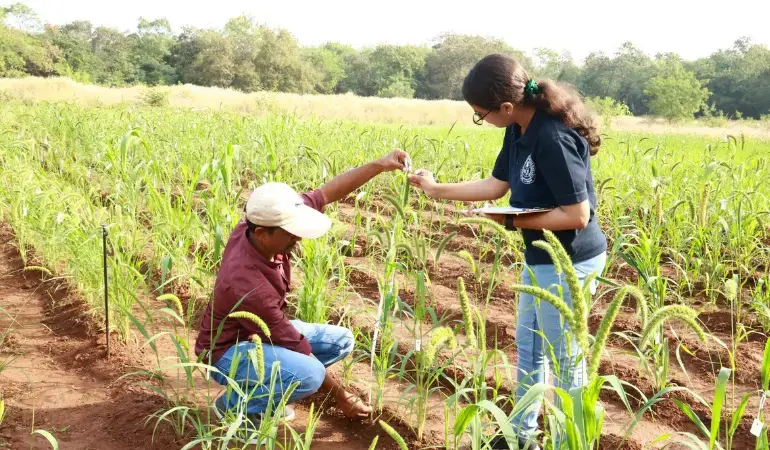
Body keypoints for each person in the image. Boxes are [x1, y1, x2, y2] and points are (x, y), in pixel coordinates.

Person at [408, 54, 607, 450]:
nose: (481, 121)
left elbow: (577, 215)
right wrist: (436, 188)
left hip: (570, 261)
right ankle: (521, 435)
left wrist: (512, 223)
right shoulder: (518, 128)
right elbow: (497, 185)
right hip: (540, 258)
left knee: (565, 358)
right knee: (530, 347)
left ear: (506, 106)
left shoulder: (553, 137)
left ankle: (572, 442)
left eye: (480, 114)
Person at [194, 149, 410, 427]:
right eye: (290, 232)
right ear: (262, 234)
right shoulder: (247, 284)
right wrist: (342, 396)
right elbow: (297, 346)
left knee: (340, 340)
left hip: (256, 334)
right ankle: (235, 405)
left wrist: (379, 165)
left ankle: (269, 389)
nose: (297, 237)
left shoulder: (260, 223)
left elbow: (326, 193)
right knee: (310, 374)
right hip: (226, 352)